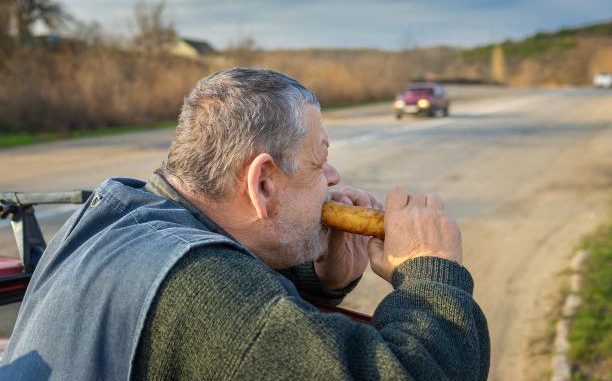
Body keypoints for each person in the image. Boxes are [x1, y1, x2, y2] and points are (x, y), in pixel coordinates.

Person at [0, 68, 489, 380]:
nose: (335, 178)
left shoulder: (119, 212)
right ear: (263, 185)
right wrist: (432, 274)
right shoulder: (200, 289)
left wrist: (318, 279)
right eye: (320, 162)